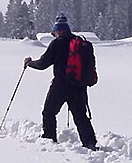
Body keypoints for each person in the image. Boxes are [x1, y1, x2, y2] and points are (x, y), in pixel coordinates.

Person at [23, 13, 98, 150]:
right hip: (79, 85)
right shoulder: (80, 42)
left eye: (54, 32)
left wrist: (30, 63)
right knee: (80, 115)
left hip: (61, 84)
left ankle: (49, 140)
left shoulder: (57, 43)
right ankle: (90, 143)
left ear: (57, 30)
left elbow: (43, 63)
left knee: (49, 112)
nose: (54, 35)